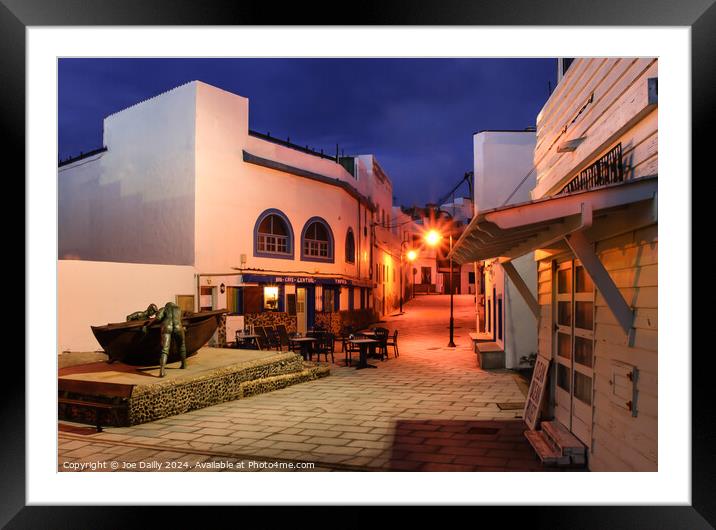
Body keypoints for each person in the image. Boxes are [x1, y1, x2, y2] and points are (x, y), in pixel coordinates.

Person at [143, 301, 187, 377]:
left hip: (167, 327)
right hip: (178, 327)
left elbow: (158, 318)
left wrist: (148, 326)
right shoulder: (178, 309)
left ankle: (162, 371)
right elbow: (180, 319)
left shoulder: (164, 309)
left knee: (165, 349)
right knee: (182, 346)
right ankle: (184, 364)